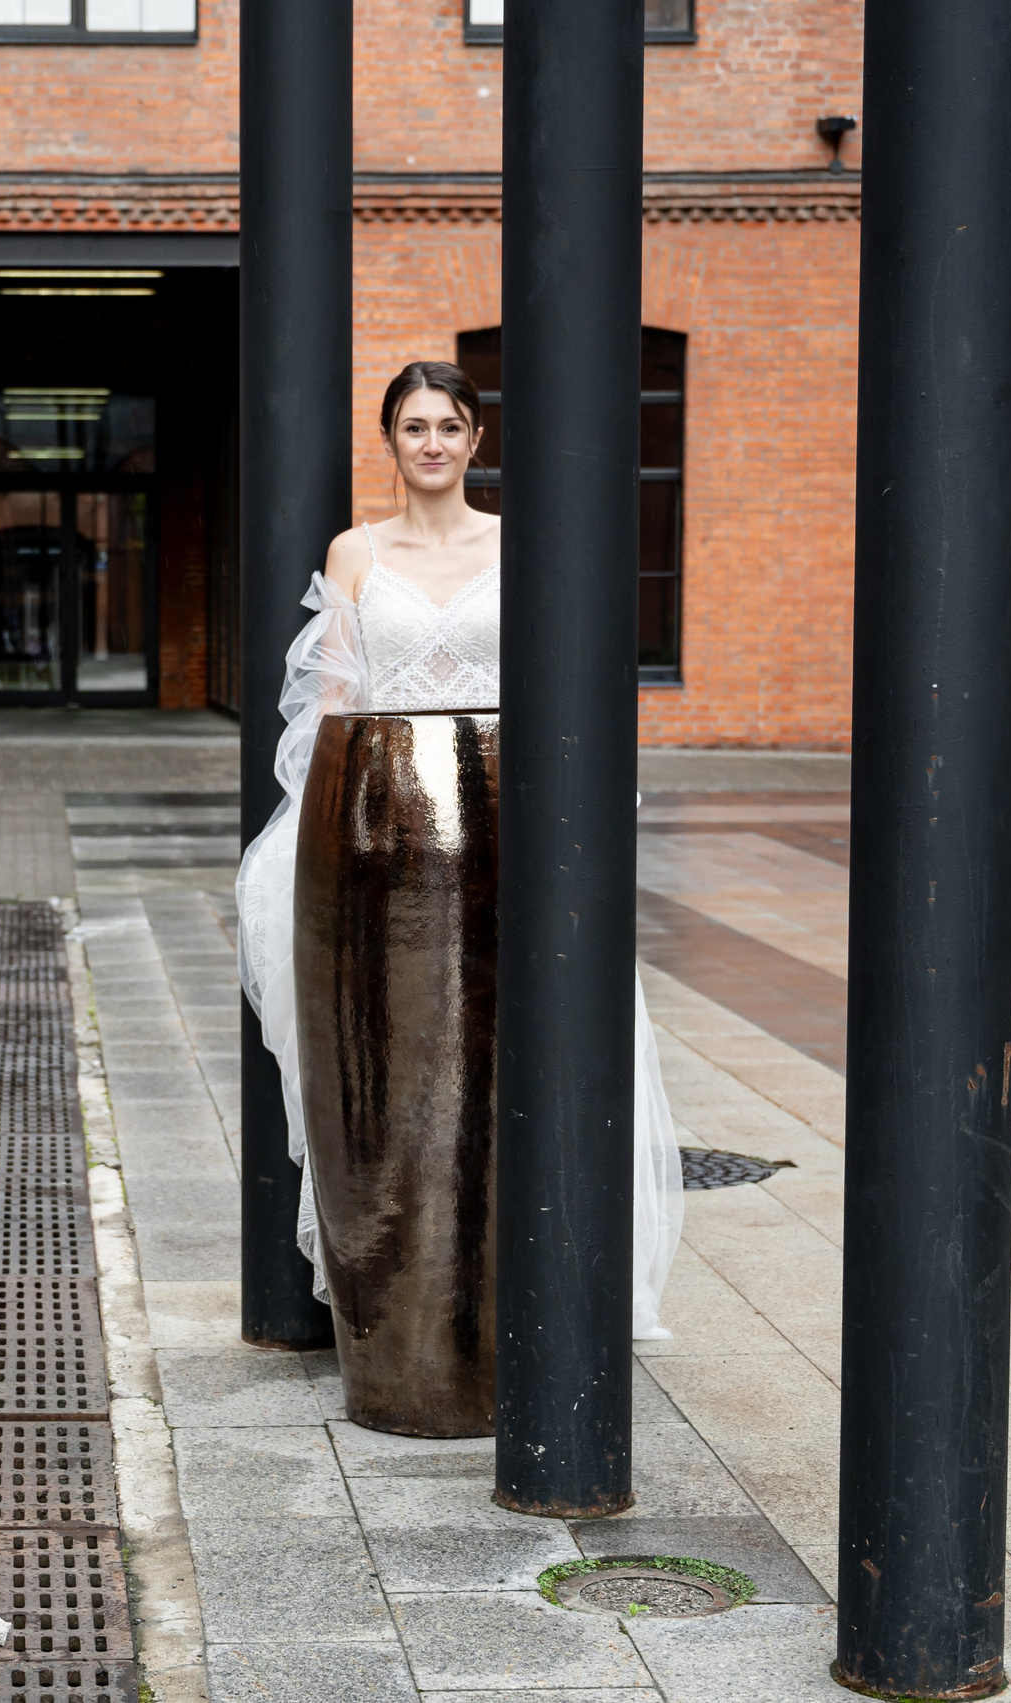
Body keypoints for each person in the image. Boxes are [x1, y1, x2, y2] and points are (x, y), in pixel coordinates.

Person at [234, 359, 685, 1340]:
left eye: (447, 426)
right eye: (412, 427)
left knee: (508, 1051)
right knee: (406, 1057)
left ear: (475, 441)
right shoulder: (354, 552)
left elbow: (557, 688)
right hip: (393, 828)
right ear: (389, 441)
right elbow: (333, 703)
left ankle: (526, 1275)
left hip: (499, 820)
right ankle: (410, 1277)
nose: (431, 443)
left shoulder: (516, 546)